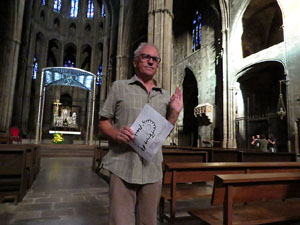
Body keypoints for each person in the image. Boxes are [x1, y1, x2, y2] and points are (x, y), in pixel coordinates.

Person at [98, 42, 183, 225]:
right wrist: (115, 134)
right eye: (146, 57)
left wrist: (174, 114)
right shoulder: (119, 87)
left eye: (155, 59)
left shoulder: (164, 96)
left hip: (152, 168)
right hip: (123, 166)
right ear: (135, 62)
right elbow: (103, 121)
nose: (151, 62)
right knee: (120, 222)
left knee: (148, 222)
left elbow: (163, 134)